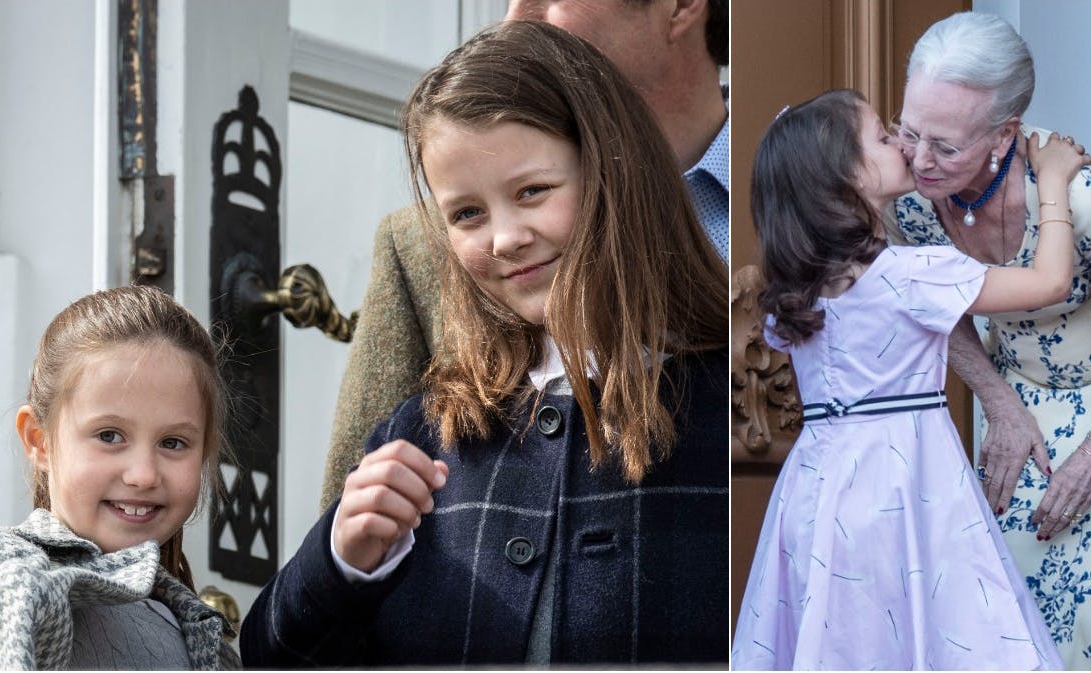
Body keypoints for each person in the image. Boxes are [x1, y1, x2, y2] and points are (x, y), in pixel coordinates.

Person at [240, 20, 729, 666]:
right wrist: (338, 559)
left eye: (532, 192)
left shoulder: (729, 396)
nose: (503, 238)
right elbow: (270, 653)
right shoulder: (422, 429)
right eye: (467, 214)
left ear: (613, 172)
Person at [730, 89, 1091, 670]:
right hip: (909, 485)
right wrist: (1052, 181)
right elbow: (1049, 281)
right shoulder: (913, 275)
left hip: (819, 497)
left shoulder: (793, 298)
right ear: (846, 181)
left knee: (844, 639)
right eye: (880, 136)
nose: (901, 141)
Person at [320, 0, 730, 511]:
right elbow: (357, 512)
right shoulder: (421, 243)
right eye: (468, 213)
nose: (514, 19)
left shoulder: (801, 203)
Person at [888, 12, 1091, 670]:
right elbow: (933, 308)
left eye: (945, 144)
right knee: (1007, 591)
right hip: (1025, 391)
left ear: (1003, 135)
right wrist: (998, 401)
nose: (920, 160)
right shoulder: (903, 195)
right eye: (909, 132)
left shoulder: (1075, 195)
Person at [0, 285, 239, 670]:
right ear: (39, 441)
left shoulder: (200, 633)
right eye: (109, 436)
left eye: (173, 442)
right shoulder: (7, 573)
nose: (142, 475)